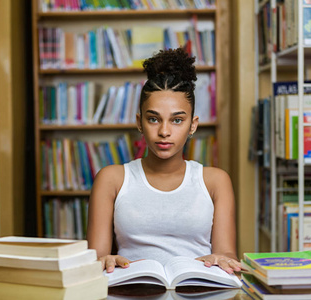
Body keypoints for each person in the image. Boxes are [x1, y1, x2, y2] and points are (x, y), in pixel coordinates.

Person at [87, 48, 240, 275]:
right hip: (133, 290)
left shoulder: (215, 181)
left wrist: (223, 260)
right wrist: (105, 260)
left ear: (193, 125)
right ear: (139, 122)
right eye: (153, 119)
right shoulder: (112, 179)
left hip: (197, 289)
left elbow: (227, 255)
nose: (164, 131)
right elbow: (96, 259)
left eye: (177, 120)